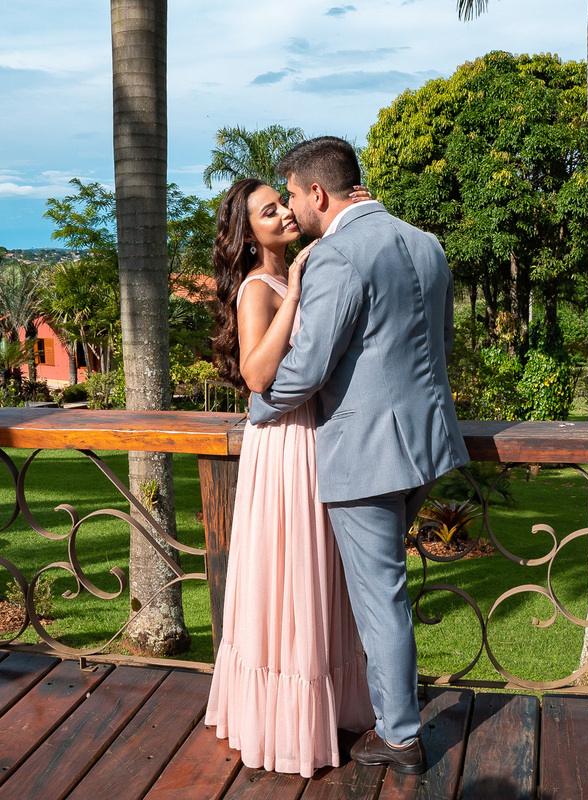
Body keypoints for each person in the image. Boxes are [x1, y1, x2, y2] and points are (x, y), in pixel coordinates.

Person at [250, 137, 469, 775]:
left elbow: (308, 365)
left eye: (291, 193)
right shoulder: (425, 242)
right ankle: (377, 706)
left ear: (318, 193)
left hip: (367, 452)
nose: (291, 207)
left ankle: (399, 736)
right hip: (428, 444)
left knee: (381, 600)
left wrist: (260, 407)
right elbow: (440, 344)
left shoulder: (339, 255)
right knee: (384, 595)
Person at [204, 177, 376, 777]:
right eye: (266, 211)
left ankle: (326, 703)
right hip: (282, 444)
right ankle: (284, 720)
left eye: (282, 202)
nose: (281, 214)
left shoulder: (304, 267)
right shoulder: (259, 288)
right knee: (288, 569)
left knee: (316, 571)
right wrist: (296, 294)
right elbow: (255, 375)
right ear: (247, 234)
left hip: (314, 438)